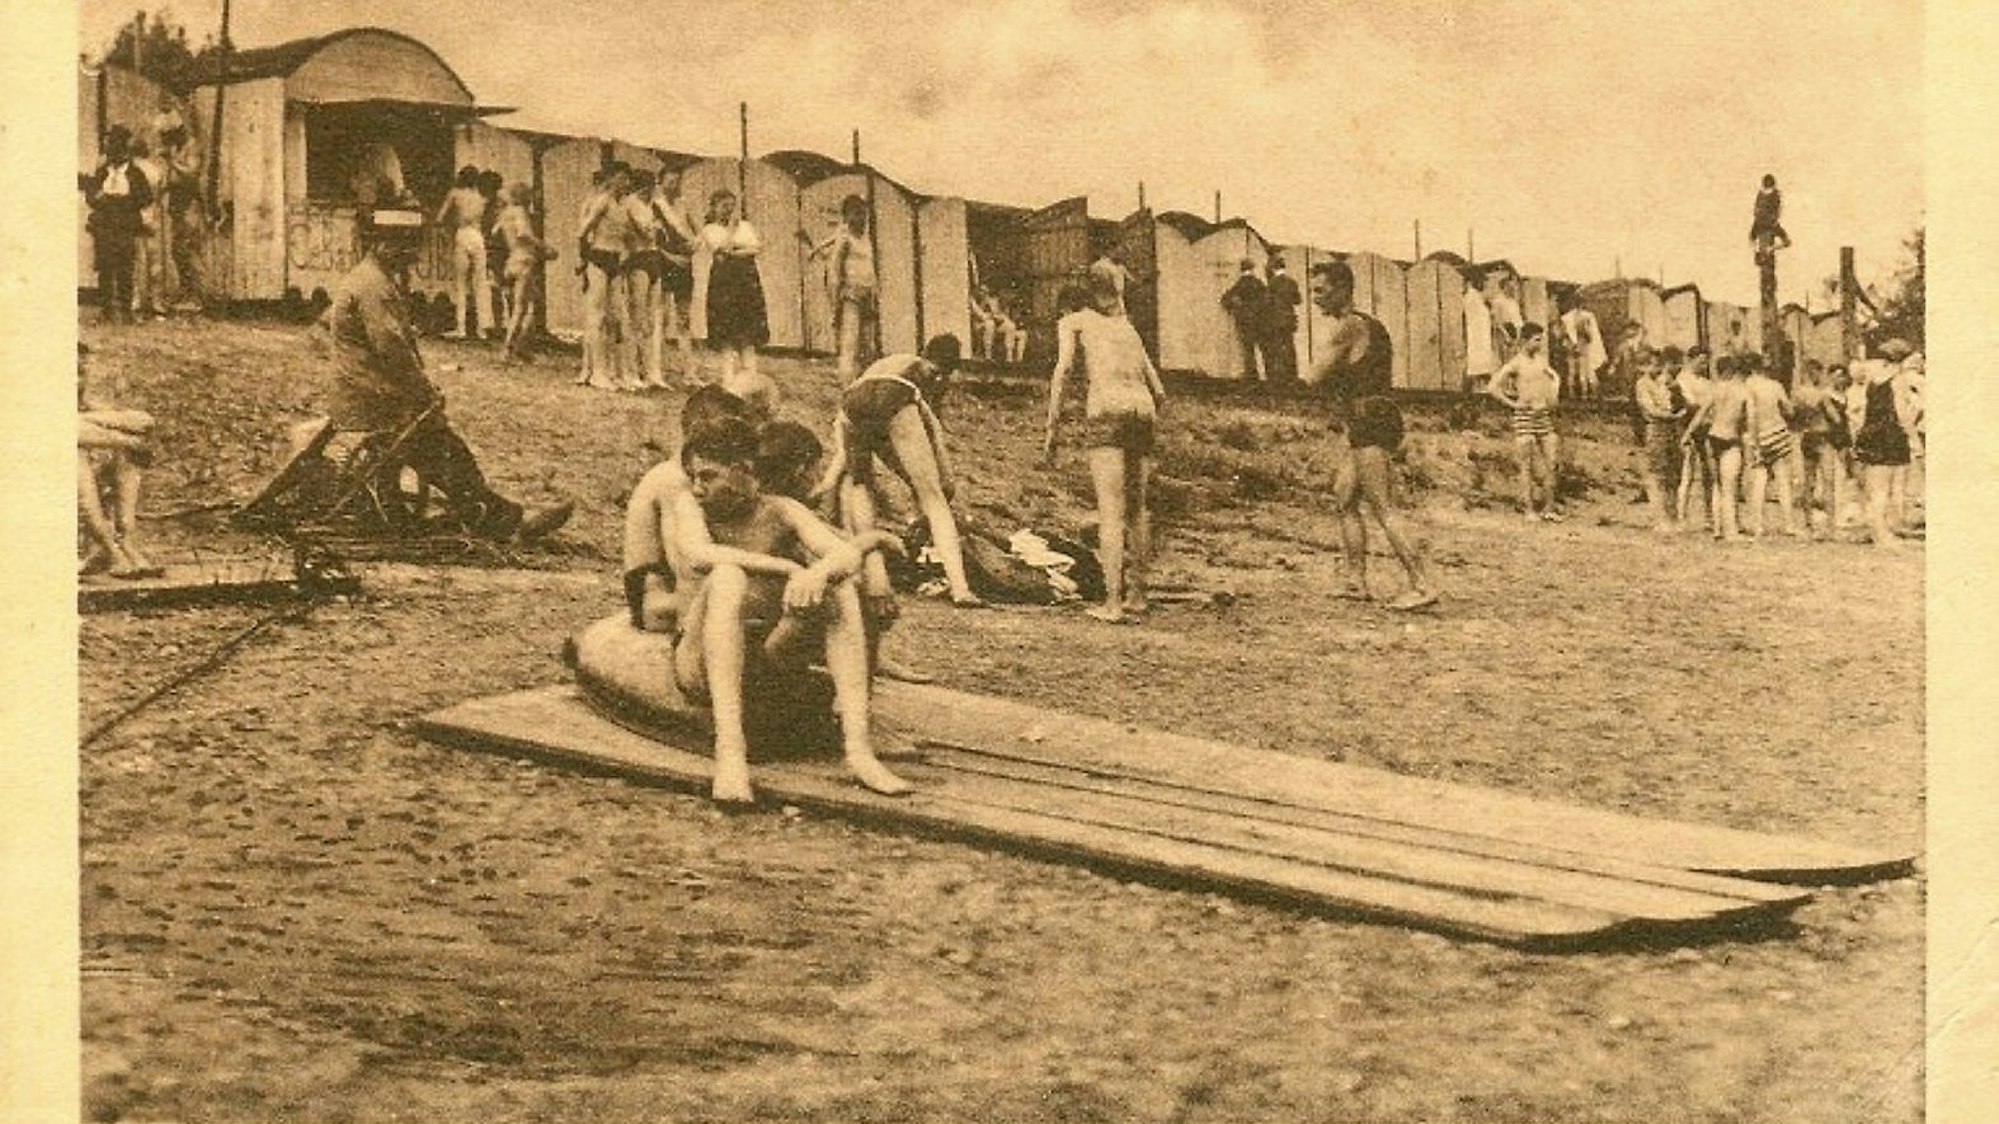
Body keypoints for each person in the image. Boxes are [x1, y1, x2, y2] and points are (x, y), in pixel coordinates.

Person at [667, 416, 913, 804]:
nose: (698, 487)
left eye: (708, 477)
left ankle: (859, 751)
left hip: (762, 662)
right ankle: (730, 754)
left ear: (743, 470)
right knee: (728, 575)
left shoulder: (781, 510)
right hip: (698, 661)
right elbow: (699, 554)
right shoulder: (689, 505)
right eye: (694, 476)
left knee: (841, 588)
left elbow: (845, 554)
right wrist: (788, 568)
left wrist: (818, 574)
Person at [324, 205, 573, 542]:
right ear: (383, 244)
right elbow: (393, 351)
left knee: (433, 441)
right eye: (404, 246)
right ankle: (501, 520)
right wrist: (424, 392)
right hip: (372, 398)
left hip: (369, 391)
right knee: (441, 444)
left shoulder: (372, 278)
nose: (411, 254)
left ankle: (472, 508)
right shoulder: (374, 287)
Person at [1300, 260, 1436, 610]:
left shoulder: (1348, 327)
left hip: (1368, 421)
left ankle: (1422, 585)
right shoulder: (1370, 324)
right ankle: (1355, 581)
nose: (1315, 299)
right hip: (1374, 417)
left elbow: (1314, 376)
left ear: (1343, 289)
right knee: (1344, 495)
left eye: (1321, 291)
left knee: (1383, 507)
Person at [817, 335, 984, 610]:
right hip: (893, 394)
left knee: (860, 485)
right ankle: (960, 588)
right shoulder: (929, 376)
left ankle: (872, 572)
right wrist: (945, 481)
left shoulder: (889, 362)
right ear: (947, 370)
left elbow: (854, 430)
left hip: (851, 401)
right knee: (934, 497)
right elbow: (933, 431)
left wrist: (829, 480)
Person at [1043, 261, 1167, 623]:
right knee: (1138, 509)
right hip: (1142, 410)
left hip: (1107, 409)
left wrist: (1052, 428)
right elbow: (1159, 391)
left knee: (1110, 511)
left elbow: (1063, 370)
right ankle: (1138, 596)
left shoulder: (1074, 322)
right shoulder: (1128, 330)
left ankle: (1112, 603)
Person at [77, 344, 163, 579]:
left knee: (134, 436)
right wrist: (125, 441)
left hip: (86, 435)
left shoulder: (82, 405)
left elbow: (142, 421)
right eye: (73, 373)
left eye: (82, 372)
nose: (78, 380)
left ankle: (126, 538)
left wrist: (106, 422)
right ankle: (110, 549)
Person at [1489, 323, 1564, 523]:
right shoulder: (1516, 363)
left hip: (1543, 415)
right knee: (1526, 465)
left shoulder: (1541, 361)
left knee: (1551, 461)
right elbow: (1493, 386)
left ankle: (1549, 507)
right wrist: (1513, 404)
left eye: (1541, 339)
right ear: (1524, 341)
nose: (1539, 344)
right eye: (1536, 340)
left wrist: (1554, 391)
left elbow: (1553, 378)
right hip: (1525, 415)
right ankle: (1528, 509)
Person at [700, 189, 770, 395]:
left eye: (731, 206)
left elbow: (756, 248)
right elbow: (720, 248)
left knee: (747, 331)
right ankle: (729, 382)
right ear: (713, 207)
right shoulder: (709, 228)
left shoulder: (745, 225)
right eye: (724, 206)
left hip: (746, 281)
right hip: (724, 282)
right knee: (727, 332)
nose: (729, 211)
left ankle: (751, 379)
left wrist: (735, 250)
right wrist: (736, 242)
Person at [82, 125, 153, 325]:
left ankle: (125, 310)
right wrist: (98, 197)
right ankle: (106, 310)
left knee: (125, 268)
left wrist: (122, 201)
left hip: (125, 226)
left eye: (118, 150)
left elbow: (146, 198)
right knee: (105, 268)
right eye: (111, 150)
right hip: (104, 226)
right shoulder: (103, 173)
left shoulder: (135, 174)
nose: (114, 155)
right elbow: (91, 196)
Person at [805, 195, 880, 382]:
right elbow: (833, 268)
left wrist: (875, 289)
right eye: (856, 214)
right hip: (851, 294)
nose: (861, 218)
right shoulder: (844, 237)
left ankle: (865, 381)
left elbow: (870, 267)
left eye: (864, 214)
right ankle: (847, 384)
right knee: (850, 341)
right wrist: (835, 299)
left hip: (868, 293)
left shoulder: (866, 239)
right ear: (847, 216)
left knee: (868, 344)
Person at [575, 163, 634, 388]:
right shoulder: (602, 201)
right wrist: (583, 260)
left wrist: (625, 254)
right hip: (598, 259)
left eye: (627, 179)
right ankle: (595, 372)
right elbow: (582, 232)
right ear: (611, 179)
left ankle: (613, 371)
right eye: (621, 178)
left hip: (616, 262)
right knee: (596, 315)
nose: (625, 183)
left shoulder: (624, 205)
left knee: (617, 317)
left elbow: (627, 236)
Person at [1852, 341, 1915, 547]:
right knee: (1885, 488)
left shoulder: (1874, 381)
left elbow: (1863, 410)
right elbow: (1901, 412)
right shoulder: (1899, 380)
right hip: (1890, 435)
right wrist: (1912, 436)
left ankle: (1878, 530)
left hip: (1871, 434)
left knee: (1875, 487)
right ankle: (1881, 534)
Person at [644, 169, 699, 385]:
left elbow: (696, 233)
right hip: (663, 263)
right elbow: (652, 243)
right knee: (660, 317)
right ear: (660, 182)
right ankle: (655, 371)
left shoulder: (683, 205)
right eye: (670, 182)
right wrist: (672, 257)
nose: (674, 186)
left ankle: (690, 373)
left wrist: (693, 245)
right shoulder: (655, 206)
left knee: (684, 320)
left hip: (685, 265)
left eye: (677, 182)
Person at [1741, 352, 1802, 537]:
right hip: (1778, 432)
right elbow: (1789, 410)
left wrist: (1752, 441)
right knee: (1783, 480)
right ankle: (1789, 524)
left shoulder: (1746, 386)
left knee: (1759, 481)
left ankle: (1757, 525)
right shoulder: (1775, 385)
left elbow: (1748, 415)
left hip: (1758, 434)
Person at [1694, 354, 1751, 542]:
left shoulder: (1714, 389)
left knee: (1717, 486)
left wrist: (1687, 435)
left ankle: (1718, 528)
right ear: (1732, 371)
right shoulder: (1743, 391)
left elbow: (1701, 415)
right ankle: (1731, 531)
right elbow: (1751, 419)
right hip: (1731, 438)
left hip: (1713, 437)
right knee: (1730, 487)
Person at [435, 165, 495, 341]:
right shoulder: (482, 198)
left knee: (461, 284)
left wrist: (449, 230)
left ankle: (461, 327)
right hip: (478, 236)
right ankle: (482, 329)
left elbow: (440, 218)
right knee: (480, 283)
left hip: (462, 235)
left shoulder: (454, 194)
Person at [494, 183, 552, 363]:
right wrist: (544, 246)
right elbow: (523, 233)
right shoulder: (519, 212)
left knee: (533, 301)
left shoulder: (504, 214)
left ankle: (521, 347)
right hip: (524, 260)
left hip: (512, 259)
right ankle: (509, 348)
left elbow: (495, 233)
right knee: (522, 309)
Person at [1632, 348, 1682, 533]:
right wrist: (1671, 415)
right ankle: (1659, 518)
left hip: (1670, 430)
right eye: (1653, 364)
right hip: (1654, 430)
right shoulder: (1642, 384)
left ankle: (1672, 516)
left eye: (1659, 364)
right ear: (1644, 366)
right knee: (1656, 475)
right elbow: (1650, 410)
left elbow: (1673, 403)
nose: (1657, 368)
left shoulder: (1664, 382)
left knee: (1672, 475)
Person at [1790, 359, 1841, 537]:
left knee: (1809, 481)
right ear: (1815, 373)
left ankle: (1808, 522)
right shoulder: (1821, 395)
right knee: (1828, 481)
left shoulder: (1797, 394)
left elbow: (1792, 418)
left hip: (1807, 436)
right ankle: (1831, 524)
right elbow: (1836, 418)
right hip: (1823, 437)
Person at [1674, 346, 1717, 530]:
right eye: (1701, 361)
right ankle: (1681, 517)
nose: (1704, 365)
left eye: (1706, 361)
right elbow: (1690, 403)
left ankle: (1709, 516)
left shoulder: (1707, 382)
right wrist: (1705, 406)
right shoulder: (1682, 379)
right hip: (1688, 428)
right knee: (1688, 474)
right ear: (1691, 359)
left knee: (1709, 474)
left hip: (1706, 428)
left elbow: (1713, 405)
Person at [127, 137, 169, 320]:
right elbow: (161, 193)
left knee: (137, 260)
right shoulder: (155, 170)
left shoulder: (130, 170)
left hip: (135, 214)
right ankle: (157, 304)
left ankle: (136, 302)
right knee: (156, 261)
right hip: (153, 214)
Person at [1220, 259, 1269, 380]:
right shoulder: (1259, 283)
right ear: (1252, 269)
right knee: (1263, 347)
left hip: (1244, 320)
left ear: (1241, 269)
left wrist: (1237, 306)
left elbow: (1225, 300)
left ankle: (1252, 374)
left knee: (1248, 348)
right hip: (1259, 319)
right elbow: (1267, 300)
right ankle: (1268, 374)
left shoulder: (1240, 284)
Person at [1558, 295, 1607, 401]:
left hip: (1572, 346)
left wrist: (1569, 340)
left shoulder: (1567, 317)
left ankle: (1573, 394)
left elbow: (1562, 334)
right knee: (1583, 371)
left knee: (1572, 371)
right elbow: (1589, 336)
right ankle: (1584, 394)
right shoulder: (1586, 317)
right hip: (1582, 345)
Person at [1264, 256, 1302, 383]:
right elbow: (1298, 300)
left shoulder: (1272, 283)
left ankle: (1280, 376)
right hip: (1289, 319)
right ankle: (1292, 374)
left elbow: (1267, 302)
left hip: (1276, 319)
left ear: (1274, 268)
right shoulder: (1292, 282)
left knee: (1277, 346)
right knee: (1290, 346)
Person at [1463, 273, 1498, 392]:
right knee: (1477, 367)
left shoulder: (1478, 299)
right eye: (1488, 285)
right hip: (1476, 338)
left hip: (1482, 338)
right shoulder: (1472, 298)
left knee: (1481, 366)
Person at [1750, 174, 1791, 254]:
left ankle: (1763, 249)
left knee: (1752, 238)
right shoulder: (1775, 195)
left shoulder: (1761, 194)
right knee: (1786, 241)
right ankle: (1767, 249)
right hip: (1770, 224)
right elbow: (1777, 210)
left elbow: (1756, 210)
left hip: (1759, 224)